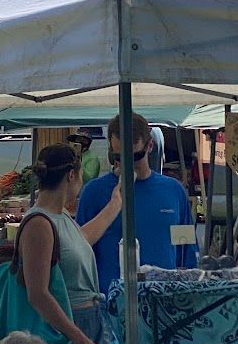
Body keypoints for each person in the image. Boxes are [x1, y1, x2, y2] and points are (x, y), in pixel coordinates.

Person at [14, 145, 109, 344]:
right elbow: (38, 294)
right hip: (65, 333)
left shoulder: (62, 215)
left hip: (88, 325)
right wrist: (81, 341)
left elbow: (82, 239)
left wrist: (116, 203)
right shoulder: (39, 223)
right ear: (71, 175)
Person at [75, 112, 189, 291]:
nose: (127, 163)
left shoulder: (173, 191)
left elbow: (186, 248)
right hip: (112, 299)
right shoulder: (94, 193)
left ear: (150, 146)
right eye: (119, 157)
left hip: (164, 297)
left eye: (135, 156)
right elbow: (78, 252)